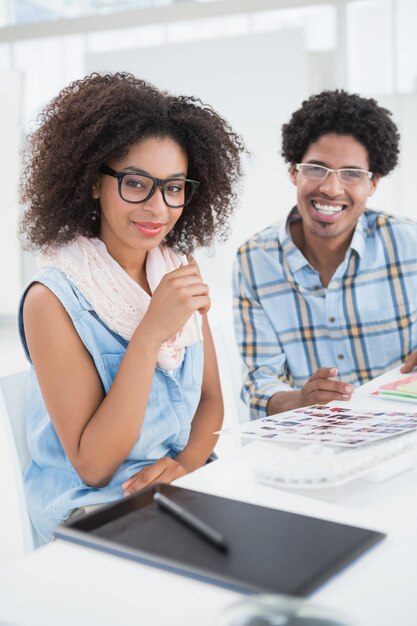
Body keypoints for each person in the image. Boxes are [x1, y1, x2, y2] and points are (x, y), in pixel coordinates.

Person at [19, 72, 243, 542]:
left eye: (174, 187)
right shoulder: (52, 298)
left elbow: (212, 402)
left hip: (183, 486)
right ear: (94, 182)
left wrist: (185, 466)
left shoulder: (177, 269)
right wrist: (149, 334)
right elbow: (96, 466)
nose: (158, 208)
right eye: (136, 183)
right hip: (95, 511)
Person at [233, 89, 417, 419]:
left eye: (352, 173)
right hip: (312, 446)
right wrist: (298, 400)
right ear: (294, 172)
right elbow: (260, 383)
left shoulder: (409, 243)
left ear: (373, 182)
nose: (332, 189)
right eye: (316, 168)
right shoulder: (254, 260)